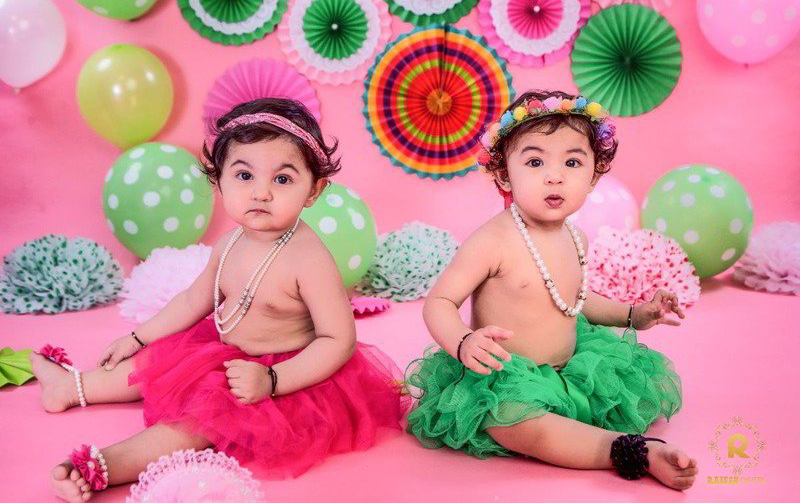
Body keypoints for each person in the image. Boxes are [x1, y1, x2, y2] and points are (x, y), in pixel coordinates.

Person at [31, 98, 409, 502]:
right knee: (152, 364)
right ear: (219, 181)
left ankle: (102, 466)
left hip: (281, 374)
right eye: (244, 175)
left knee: (200, 423)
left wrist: (273, 380)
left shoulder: (309, 259)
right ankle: (70, 386)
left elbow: (339, 340)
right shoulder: (230, 243)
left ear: (313, 190)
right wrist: (138, 337)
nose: (261, 192)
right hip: (220, 350)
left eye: (283, 179)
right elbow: (193, 300)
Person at [405, 90, 697, 490]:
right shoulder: (492, 241)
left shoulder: (576, 238)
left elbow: (576, 301)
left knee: (621, 390)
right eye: (535, 162)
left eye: (572, 162)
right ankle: (629, 450)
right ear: (504, 175)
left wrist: (633, 314)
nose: (554, 176)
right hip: (504, 377)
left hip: (572, 367)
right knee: (517, 424)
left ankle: (610, 439)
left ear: (594, 177)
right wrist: (463, 341)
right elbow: (439, 301)